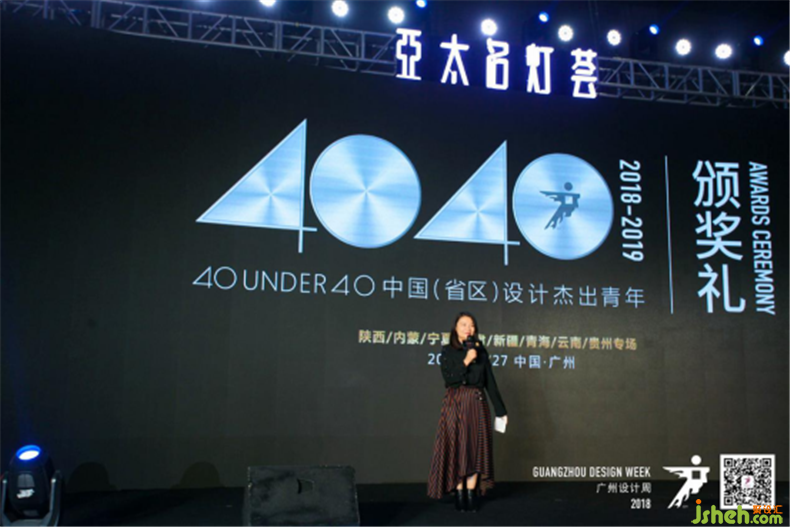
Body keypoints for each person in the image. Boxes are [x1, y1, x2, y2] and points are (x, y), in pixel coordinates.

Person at [427, 312, 508, 512]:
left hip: (477, 404)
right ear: (455, 328)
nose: (468, 329)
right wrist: (466, 360)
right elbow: (450, 379)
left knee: (475, 450)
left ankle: (471, 494)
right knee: (458, 448)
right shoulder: (448, 351)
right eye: (463, 324)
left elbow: (490, 382)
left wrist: (501, 410)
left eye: (471, 325)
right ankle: (459, 493)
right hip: (455, 404)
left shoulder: (481, 351)